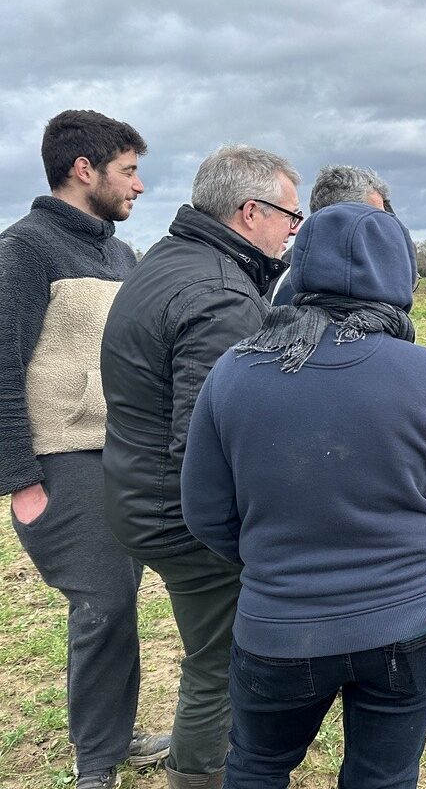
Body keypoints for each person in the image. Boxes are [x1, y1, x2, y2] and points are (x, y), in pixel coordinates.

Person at [181, 202, 426, 788]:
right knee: (385, 775)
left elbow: (205, 513)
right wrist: (410, 561)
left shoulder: (234, 372)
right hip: (412, 620)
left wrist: (276, 566)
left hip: (280, 628)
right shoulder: (425, 372)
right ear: (401, 273)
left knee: (257, 766)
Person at [101, 145, 300, 789]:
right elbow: (208, 445)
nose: (293, 232)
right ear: (251, 212)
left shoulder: (170, 258)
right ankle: (201, 771)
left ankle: (196, 746)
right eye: (289, 218)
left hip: (137, 488)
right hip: (178, 514)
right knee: (223, 659)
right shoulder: (219, 296)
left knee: (204, 647)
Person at [0, 109, 168, 788]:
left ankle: (112, 734)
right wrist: (20, 479)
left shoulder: (118, 253)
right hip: (61, 463)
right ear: (83, 170)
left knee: (118, 606)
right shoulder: (26, 250)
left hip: (121, 459)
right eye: (128, 171)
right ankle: (94, 765)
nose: (139, 186)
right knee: (100, 606)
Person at [271, 163, 416, 304]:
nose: (386, 227)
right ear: (342, 218)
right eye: (375, 219)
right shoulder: (302, 291)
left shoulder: (297, 274)